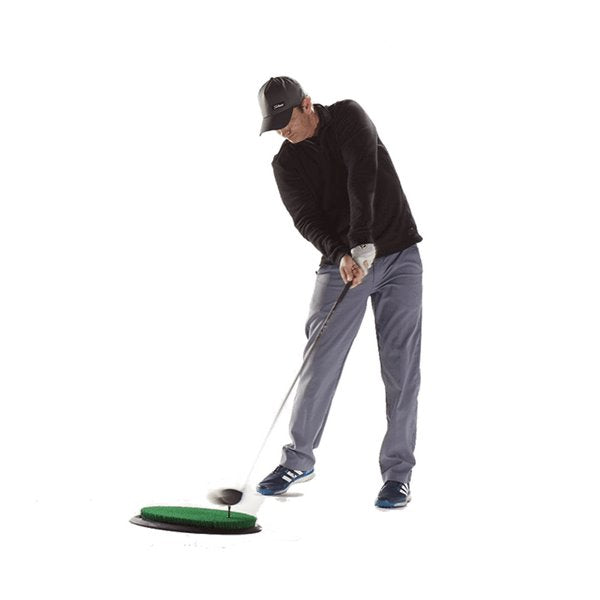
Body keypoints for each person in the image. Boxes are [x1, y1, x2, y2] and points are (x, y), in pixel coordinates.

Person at [255, 76, 423, 509]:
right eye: (274, 126)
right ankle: (298, 459)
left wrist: (363, 240)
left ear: (307, 104)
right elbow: (306, 218)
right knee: (320, 358)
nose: (282, 131)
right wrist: (341, 254)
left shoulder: (349, 116)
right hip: (342, 266)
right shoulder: (285, 164)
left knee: (401, 369)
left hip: (399, 257)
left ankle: (397, 475)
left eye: (287, 121)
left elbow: (362, 176)